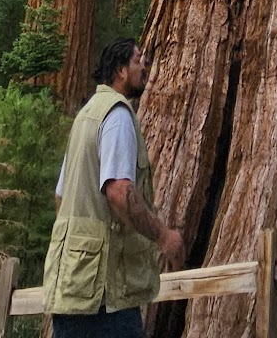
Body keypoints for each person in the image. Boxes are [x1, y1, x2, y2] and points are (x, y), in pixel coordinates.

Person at [44, 36, 185, 338]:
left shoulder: (86, 116)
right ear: (121, 71)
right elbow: (119, 192)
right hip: (104, 296)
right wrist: (164, 236)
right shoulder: (117, 115)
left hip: (72, 284)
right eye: (137, 60)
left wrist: (79, 251)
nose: (144, 66)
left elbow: (61, 197)